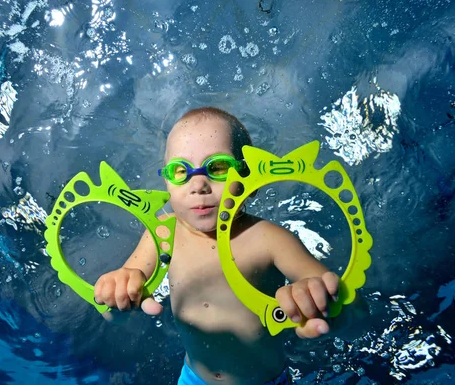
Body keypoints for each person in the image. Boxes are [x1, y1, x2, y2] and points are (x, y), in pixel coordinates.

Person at [94, 107, 340, 385]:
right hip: (192, 379)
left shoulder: (269, 239)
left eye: (218, 167)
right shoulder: (162, 233)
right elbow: (112, 314)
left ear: (251, 179)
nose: (198, 184)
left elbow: (348, 309)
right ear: (166, 182)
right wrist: (116, 292)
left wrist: (315, 296)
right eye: (180, 171)